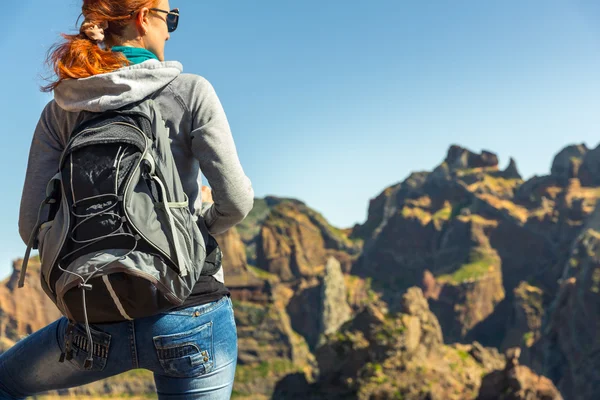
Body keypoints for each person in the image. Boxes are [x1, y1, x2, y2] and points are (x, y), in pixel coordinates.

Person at [0, 0, 254, 398]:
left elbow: (29, 225)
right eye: (170, 17)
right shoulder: (190, 91)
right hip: (189, 310)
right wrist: (196, 227)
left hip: (94, 313)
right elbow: (237, 201)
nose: (170, 30)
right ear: (143, 17)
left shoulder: (62, 109)